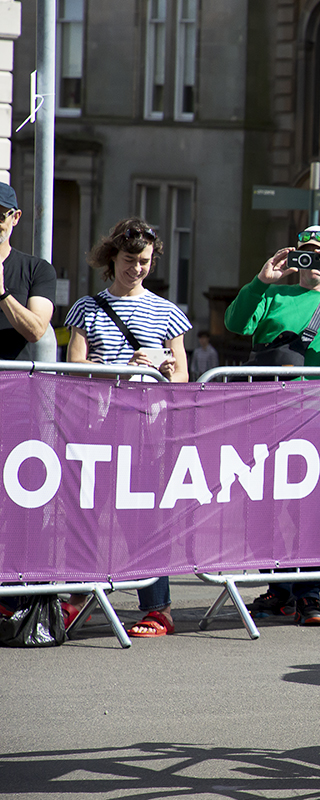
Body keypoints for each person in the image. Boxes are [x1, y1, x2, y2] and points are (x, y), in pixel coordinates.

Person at [225, 225, 320, 626]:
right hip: (263, 411)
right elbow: (236, 323)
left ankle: (309, 593)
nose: (314, 262)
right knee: (262, 503)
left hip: (311, 416)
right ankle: (278, 587)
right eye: (307, 253)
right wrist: (260, 281)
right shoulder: (274, 292)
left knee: (308, 507)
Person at [63, 218, 192, 637]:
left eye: (145, 261)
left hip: (146, 429)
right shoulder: (86, 307)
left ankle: (158, 608)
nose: (137, 268)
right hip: (95, 425)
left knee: (145, 519)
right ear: (111, 258)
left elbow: (182, 381)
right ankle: (76, 598)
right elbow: (72, 367)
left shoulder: (167, 312)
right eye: (130, 259)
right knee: (87, 514)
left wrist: (167, 369)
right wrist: (121, 368)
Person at [0, 182, 55, 361]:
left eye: (0, 216)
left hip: (11, 383)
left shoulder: (37, 270)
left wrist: (2, 294)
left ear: (15, 218)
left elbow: (36, 330)